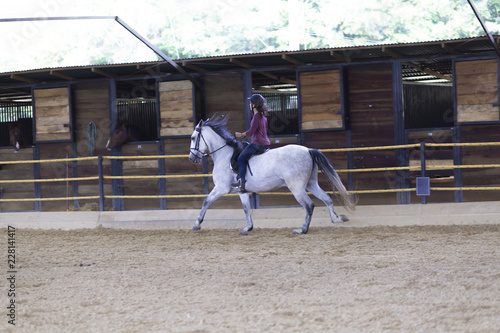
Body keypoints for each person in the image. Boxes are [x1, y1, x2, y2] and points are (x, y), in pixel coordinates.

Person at [232, 93, 271, 192]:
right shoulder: (263, 116)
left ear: (253, 105)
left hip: (257, 144)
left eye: (250, 103)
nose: (249, 105)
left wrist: (240, 135)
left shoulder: (257, 116)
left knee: (241, 158)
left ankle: (242, 183)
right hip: (265, 143)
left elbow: (251, 131)